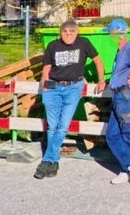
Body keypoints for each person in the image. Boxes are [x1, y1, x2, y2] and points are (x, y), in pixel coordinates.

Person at [36, 19, 104, 179]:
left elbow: (98, 61)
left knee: (62, 126)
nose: (68, 34)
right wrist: (45, 86)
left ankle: (47, 160)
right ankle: (54, 162)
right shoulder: (53, 45)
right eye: (65, 31)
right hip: (53, 88)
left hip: (73, 88)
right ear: (61, 32)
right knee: (52, 126)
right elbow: (46, 68)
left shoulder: (84, 43)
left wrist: (101, 80)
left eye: (72, 31)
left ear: (77, 32)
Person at [103, 18, 130, 186]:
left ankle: (128, 166)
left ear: (117, 33)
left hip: (125, 94)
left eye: (110, 33)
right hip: (119, 94)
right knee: (112, 134)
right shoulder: (120, 50)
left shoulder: (129, 48)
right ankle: (128, 165)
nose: (109, 36)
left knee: (127, 130)